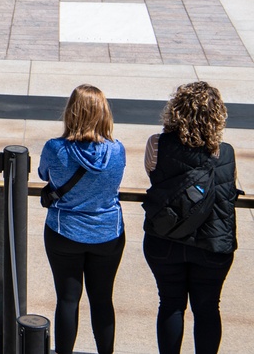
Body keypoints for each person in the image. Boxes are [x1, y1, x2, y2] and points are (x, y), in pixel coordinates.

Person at [143, 81, 239, 354]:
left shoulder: (156, 144)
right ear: (217, 114)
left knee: (171, 304)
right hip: (213, 244)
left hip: (165, 239)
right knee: (208, 308)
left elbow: (153, 175)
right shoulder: (226, 152)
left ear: (175, 110)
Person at [38, 84, 126, 354]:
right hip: (107, 234)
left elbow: (44, 174)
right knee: (102, 300)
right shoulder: (117, 150)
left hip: (64, 231)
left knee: (67, 300)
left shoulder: (55, 148)